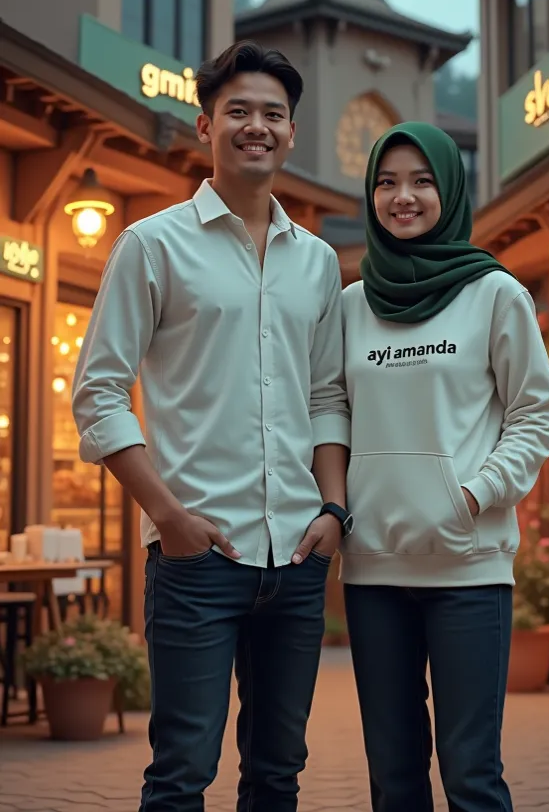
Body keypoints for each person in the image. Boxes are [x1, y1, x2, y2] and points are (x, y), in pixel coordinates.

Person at [72, 40, 353, 812]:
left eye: (273, 114)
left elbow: (327, 395)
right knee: (179, 774)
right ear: (206, 128)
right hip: (196, 557)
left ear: (291, 132)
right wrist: (168, 518)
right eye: (238, 112)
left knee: (277, 772)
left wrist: (332, 512)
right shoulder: (151, 246)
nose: (255, 126)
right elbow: (97, 394)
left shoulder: (320, 263)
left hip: (296, 557)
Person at [340, 122, 549, 812]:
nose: (401, 197)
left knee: (470, 774)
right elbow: (330, 416)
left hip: (468, 565)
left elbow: (535, 412)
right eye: (385, 183)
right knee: (394, 775)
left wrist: (472, 494)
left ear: (449, 189)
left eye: (420, 181)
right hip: (373, 565)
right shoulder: (350, 305)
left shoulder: (494, 294)